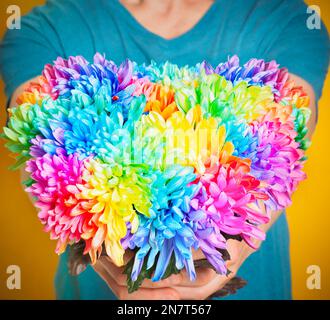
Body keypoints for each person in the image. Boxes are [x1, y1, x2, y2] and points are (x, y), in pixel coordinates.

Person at [0, 0, 329, 300]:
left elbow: (288, 138)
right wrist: (93, 241)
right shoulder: (41, 29)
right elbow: (39, 150)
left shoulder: (286, 18)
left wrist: (231, 248)